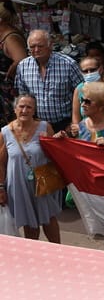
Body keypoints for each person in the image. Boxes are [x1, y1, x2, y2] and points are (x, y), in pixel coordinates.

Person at [0, 94, 61, 243]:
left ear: (34, 110)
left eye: (29, 107)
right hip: (18, 184)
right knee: (29, 224)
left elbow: (56, 154)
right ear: (15, 109)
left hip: (43, 181)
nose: (25, 110)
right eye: (21, 106)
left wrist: (59, 140)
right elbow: (1, 163)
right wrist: (1, 187)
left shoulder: (44, 127)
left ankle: (59, 253)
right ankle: (36, 257)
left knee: (49, 219)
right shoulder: (5, 132)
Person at [15, 30, 82, 133]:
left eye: (40, 46)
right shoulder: (23, 66)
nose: (36, 50)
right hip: (38, 126)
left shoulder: (68, 64)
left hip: (65, 124)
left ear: (50, 45)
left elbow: (82, 93)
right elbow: (23, 97)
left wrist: (75, 122)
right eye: (32, 47)